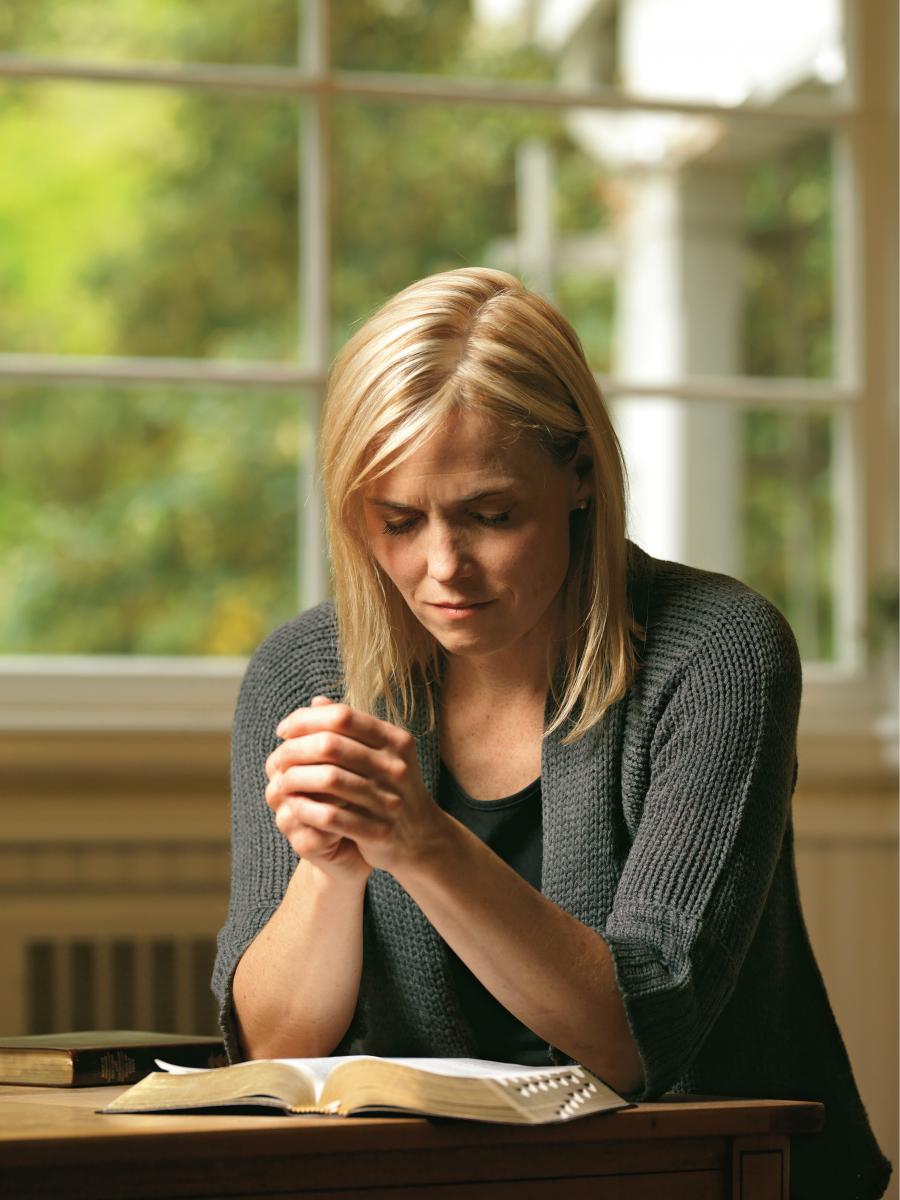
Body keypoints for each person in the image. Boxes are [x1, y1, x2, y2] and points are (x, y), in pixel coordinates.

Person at [213, 268, 890, 1199]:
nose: (444, 566)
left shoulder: (718, 651)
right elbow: (272, 1048)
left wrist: (420, 841)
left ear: (580, 476)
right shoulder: (305, 672)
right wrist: (334, 871)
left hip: (709, 1176)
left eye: (493, 516)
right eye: (398, 521)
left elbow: (637, 1036)